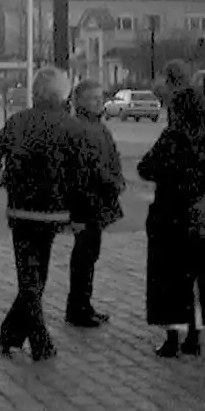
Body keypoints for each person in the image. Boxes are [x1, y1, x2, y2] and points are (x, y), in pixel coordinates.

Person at [0, 66, 93, 361]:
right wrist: (78, 213)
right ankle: (29, 339)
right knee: (36, 277)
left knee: (30, 278)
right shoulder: (72, 127)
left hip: (21, 211)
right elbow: (81, 175)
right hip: (55, 212)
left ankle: (18, 335)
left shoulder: (19, 121)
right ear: (62, 94)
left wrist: (4, 176)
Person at [137, 85, 205, 358]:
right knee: (196, 276)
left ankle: (173, 337)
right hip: (199, 214)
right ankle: (195, 335)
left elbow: (146, 167)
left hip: (170, 214)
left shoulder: (173, 137)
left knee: (169, 278)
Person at [64, 79, 126, 328]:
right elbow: (91, 165)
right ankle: (78, 307)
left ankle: (83, 304)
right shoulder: (81, 128)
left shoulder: (98, 127)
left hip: (97, 200)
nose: (99, 102)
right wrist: (112, 182)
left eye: (101, 98)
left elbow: (111, 156)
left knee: (89, 254)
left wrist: (117, 178)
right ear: (79, 101)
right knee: (84, 255)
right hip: (87, 200)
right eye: (93, 98)